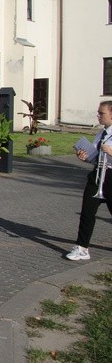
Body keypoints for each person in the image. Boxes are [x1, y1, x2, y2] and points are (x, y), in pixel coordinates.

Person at [66, 101, 112, 261]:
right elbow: (94, 157)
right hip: (98, 176)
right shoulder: (101, 134)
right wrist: (85, 157)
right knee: (87, 213)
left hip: (111, 177)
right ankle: (82, 248)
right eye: (98, 113)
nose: (98, 116)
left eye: (102, 113)